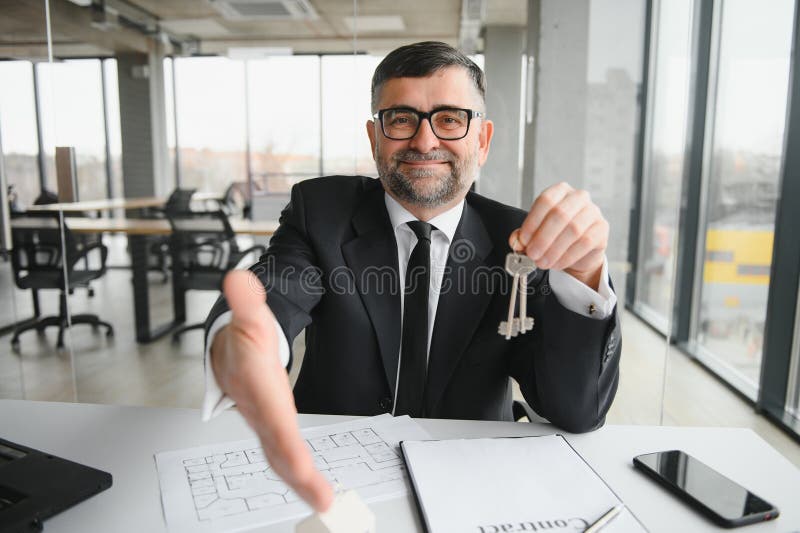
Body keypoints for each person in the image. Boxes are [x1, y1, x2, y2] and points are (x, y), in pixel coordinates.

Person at [203, 41, 621, 512]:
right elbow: (277, 287)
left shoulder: (520, 241)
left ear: (481, 141)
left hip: (474, 480)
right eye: (401, 119)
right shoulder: (321, 213)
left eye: (449, 119)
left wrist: (583, 276)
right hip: (332, 482)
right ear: (374, 137)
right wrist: (241, 339)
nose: (424, 142)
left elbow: (576, 411)